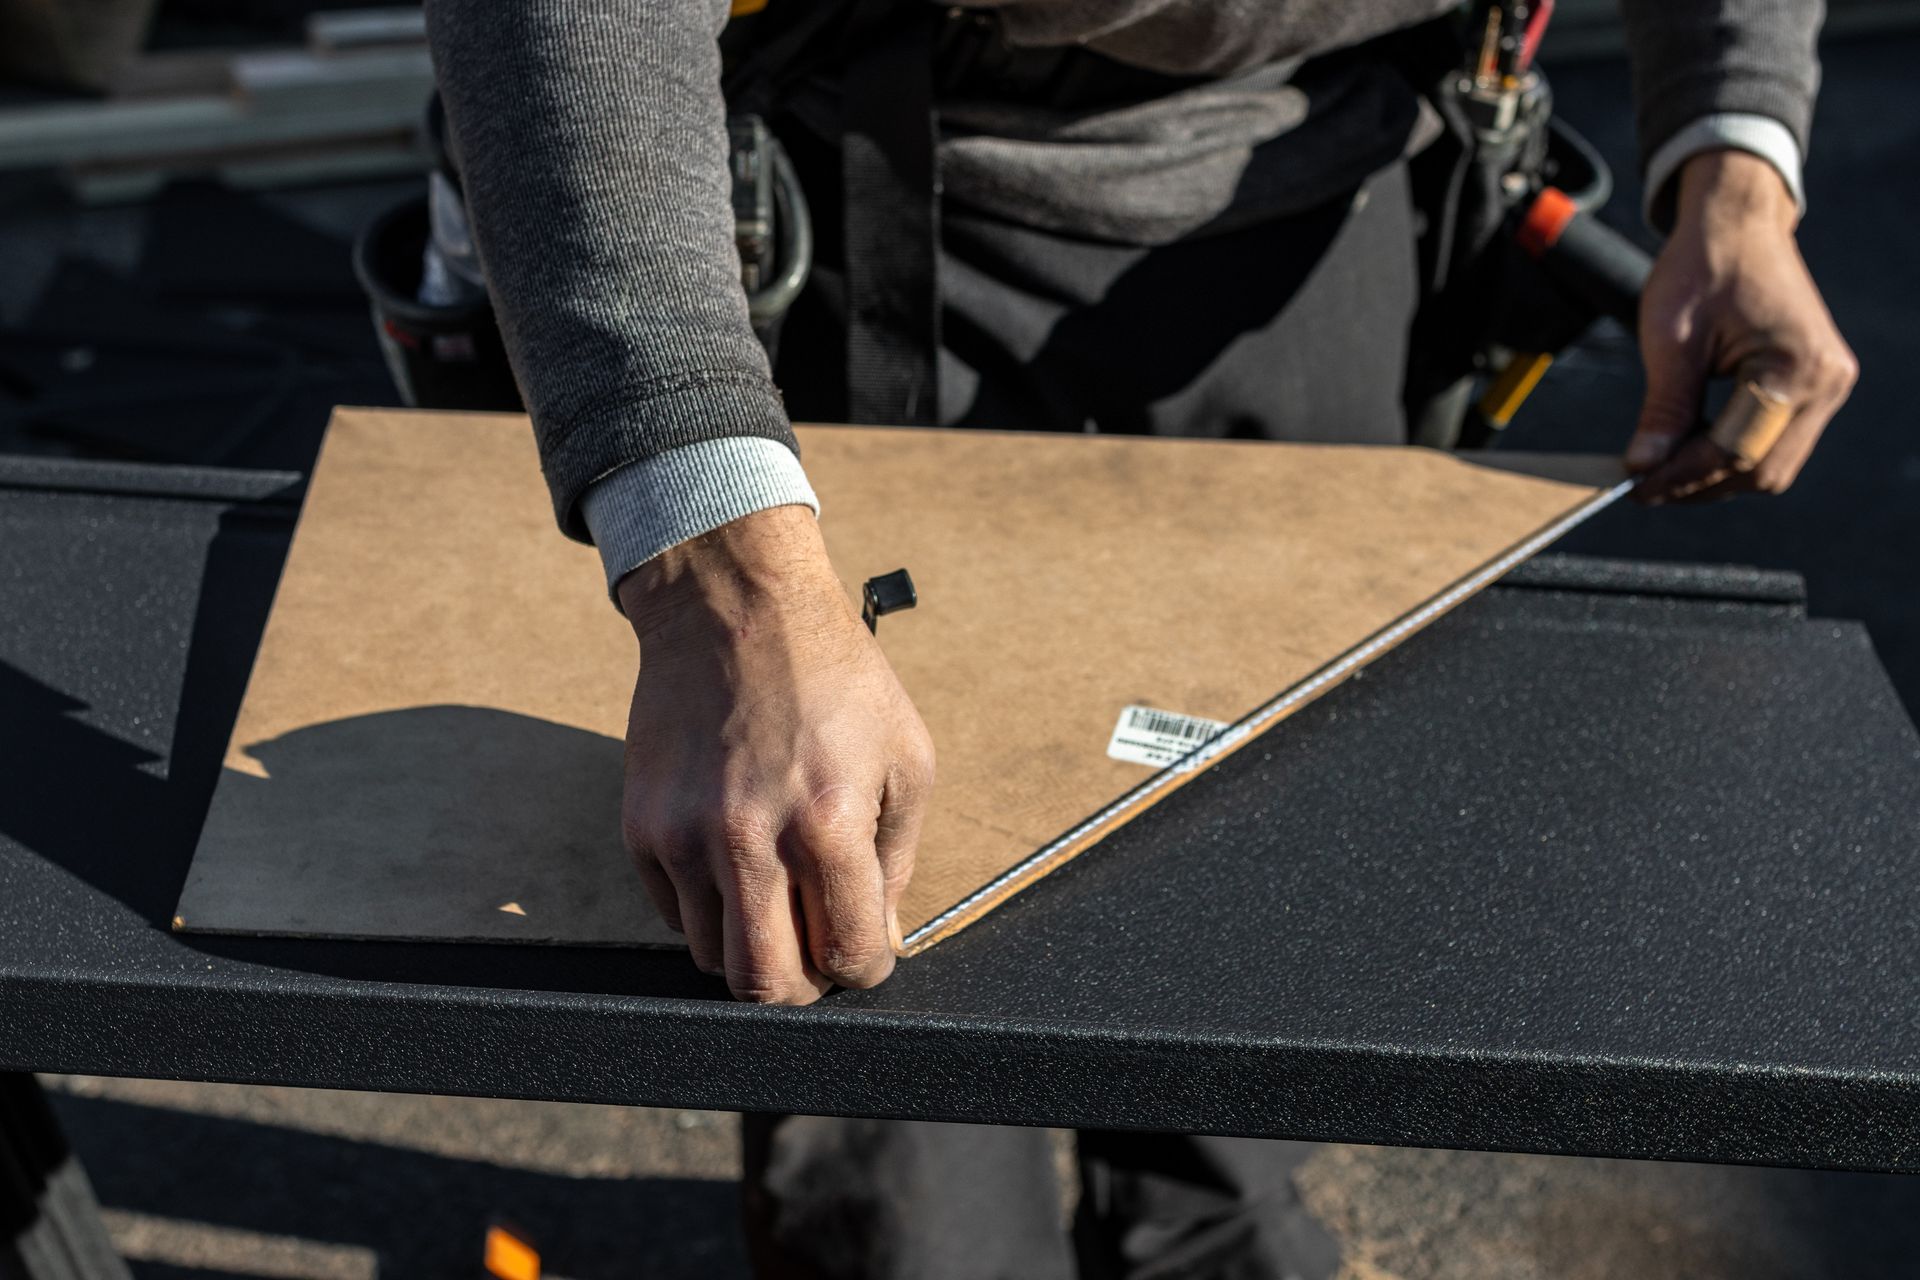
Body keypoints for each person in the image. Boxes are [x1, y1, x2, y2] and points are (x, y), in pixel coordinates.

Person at [422, 2, 1856, 1275]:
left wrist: (1735, 148)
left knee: (1251, 917)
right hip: (897, 185)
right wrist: (720, 579)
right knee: (872, 996)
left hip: (1344, 188)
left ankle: (1213, 1218)